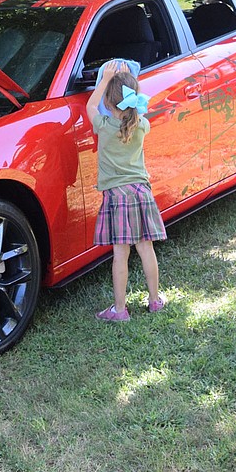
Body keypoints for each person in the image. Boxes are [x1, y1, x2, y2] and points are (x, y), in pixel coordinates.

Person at [85, 60, 166, 321]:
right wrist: (126, 81)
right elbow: (132, 107)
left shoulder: (104, 126)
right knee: (146, 248)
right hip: (141, 193)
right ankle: (155, 300)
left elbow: (89, 105)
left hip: (117, 197)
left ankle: (120, 310)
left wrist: (104, 80)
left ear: (108, 102)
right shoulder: (142, 125)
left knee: (121, 255)